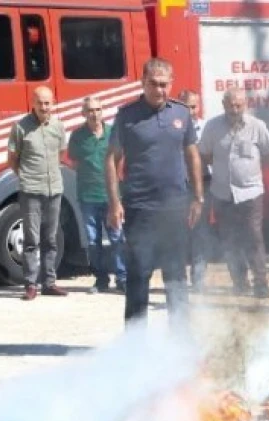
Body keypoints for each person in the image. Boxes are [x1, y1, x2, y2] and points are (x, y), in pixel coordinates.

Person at [107, 58, 203, 324]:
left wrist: (197, 196)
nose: (159, 90)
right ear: (143, 82)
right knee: (139, 275)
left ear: (171, 84)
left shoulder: (181, 114)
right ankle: (135, 345)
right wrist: (114, 203)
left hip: (175, 208)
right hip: (140, 208)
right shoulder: (126, 116)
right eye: (154, 84)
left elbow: (193, 155)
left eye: (164, 85)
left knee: (176, 276)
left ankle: (180, 341)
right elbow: (112, 159)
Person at [198, 87, 269, 298]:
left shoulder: (258, 127)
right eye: (231, 105)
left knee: (254, 237)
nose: (235, 109)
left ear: (245, 105)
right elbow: (203, 154)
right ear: (224, 105)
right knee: (230, 240)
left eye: (239, 105)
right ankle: (240, 282)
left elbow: (268, 154)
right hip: (222, 193)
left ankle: (261, 283)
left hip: (251, 193)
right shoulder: (212, 127)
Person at [8, 86, 69, 300]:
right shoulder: (20, 127)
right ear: (32, 103)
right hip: (31, 190)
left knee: (51, 238)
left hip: (54, 188)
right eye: (40, 103)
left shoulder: (59, 126)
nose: (44, 107)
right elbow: (12, 159)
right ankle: (31, 284)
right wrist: (26, 177)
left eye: (47, 103)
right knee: (32, 239)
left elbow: (61, 153)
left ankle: (49, 283)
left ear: (52, 103)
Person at [68, 95, 125, 294]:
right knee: (93, 242)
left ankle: (122, 278)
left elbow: (120, 161)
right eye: (90, 110)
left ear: (103, 111)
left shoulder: (113, 133)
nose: (94, 114)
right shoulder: (77, 136)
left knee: (118, 238)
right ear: (83, 114)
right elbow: (74, 164)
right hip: (88, 197)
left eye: (98, 109)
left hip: (111, 197)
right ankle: (101, 280)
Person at [180, 89, 219, 291]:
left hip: (203, 183)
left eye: (193, 106)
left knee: (200, 231)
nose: (189, 111)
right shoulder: (173, 127)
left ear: (199, 106)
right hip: (178, 185)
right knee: (179, 232)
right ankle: (178, 279)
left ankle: (198, 279)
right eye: (185, 106)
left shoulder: (207, 128)